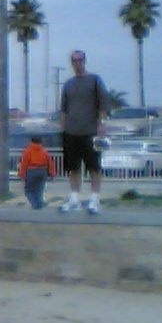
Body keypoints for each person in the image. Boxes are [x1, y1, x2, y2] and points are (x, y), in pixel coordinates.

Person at [59, 49, 112, 215]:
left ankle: (94, 199)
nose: (77, 63)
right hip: (71, 132)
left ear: (84, 61)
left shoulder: (95, 80)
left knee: (93, 168)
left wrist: (102, 125)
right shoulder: (68, 84)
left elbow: (104, 104)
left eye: (79, 60)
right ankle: (74, 198)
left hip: (90, 132)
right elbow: (63, 110)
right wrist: (62, 129)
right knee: (73, 168)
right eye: (74, 60)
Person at [18, 136, 56, 210]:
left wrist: (21, 174)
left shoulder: (27, 151)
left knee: (28, 190)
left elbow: (24, 163)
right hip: (42, 171)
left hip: (31, 171)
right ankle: (39, 204)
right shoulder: (44, 151)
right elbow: (50, 163)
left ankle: (35, 204)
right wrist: (52, 174)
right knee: (39, 190)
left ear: (31, 142)